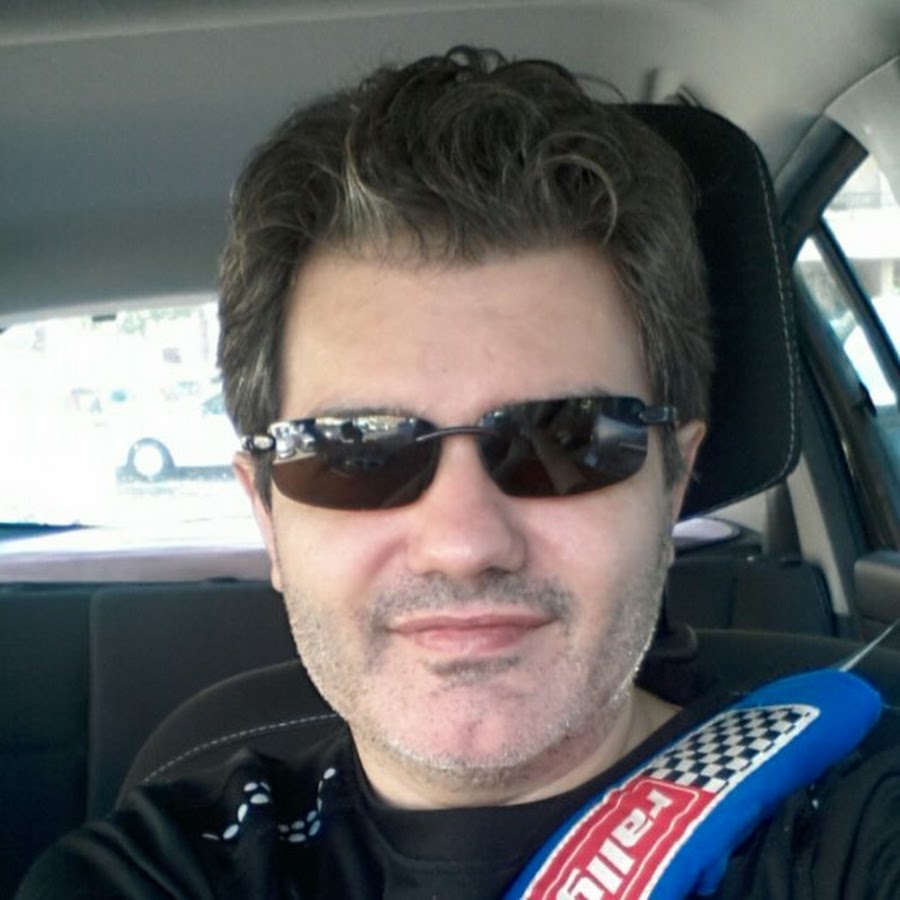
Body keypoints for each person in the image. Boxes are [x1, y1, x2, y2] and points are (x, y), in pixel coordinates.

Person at [17, 47, 900, 899]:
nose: (463, 542)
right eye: (356, 450)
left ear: (673, 484)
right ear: (267, 514)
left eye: (567, 438)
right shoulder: (154, 873)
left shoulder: (845, 829)